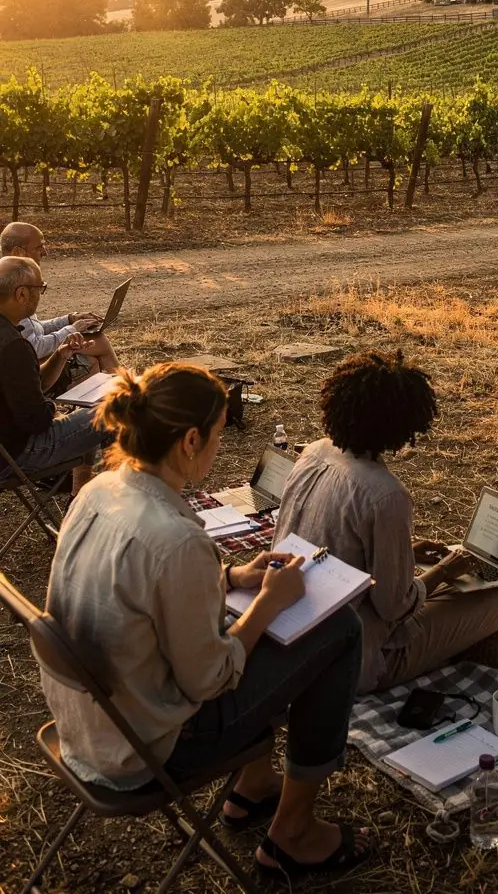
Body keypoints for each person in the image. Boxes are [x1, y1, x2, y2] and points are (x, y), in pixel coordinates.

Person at [38, 362, 369, 881]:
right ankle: (295, 832)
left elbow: (141, 590)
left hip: (91, 724)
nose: (218, 445)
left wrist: (232, 576)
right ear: (190, 440)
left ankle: (255, 785)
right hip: (150, 748)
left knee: (255, 628)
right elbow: (211, 678)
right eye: (218, 434)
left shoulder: (99, 491)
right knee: (340, 629)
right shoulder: (175, 539)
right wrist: (268, 604)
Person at [274, 350, 498, 694]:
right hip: (354, 660)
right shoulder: (385, 495)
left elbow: (334, 547)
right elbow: (394, 605)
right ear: (404, 425)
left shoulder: (313, 453)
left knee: (452, 593)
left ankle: (463, 643)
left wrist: (406, 551)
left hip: (289, 632)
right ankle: (465, 647)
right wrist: (442, 572)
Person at [0, 256, 108, 493]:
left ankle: (81, 495)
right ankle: (112, 498)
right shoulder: (12, 345)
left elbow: (28, 386)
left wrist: (60, 355)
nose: (41, 294)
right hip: (17, 455)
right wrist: (54, 409)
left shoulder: (9, 336)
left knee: (90, 414)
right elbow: (37, 420)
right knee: (119, 409)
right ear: (21, 294)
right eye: (41, 288)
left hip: (7, 446)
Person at [0, 222, 119, 392]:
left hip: (33, 361)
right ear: (18, 252)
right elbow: (32, 347)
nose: (45, 252)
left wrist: (69, 319)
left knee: (91, 361)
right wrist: (70, 330)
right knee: (98, 341)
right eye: (39, 247)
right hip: (29, 368)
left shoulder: (11, 279)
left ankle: (103, 404)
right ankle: (127, 398)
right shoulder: (14, 286)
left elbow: (34, 329)